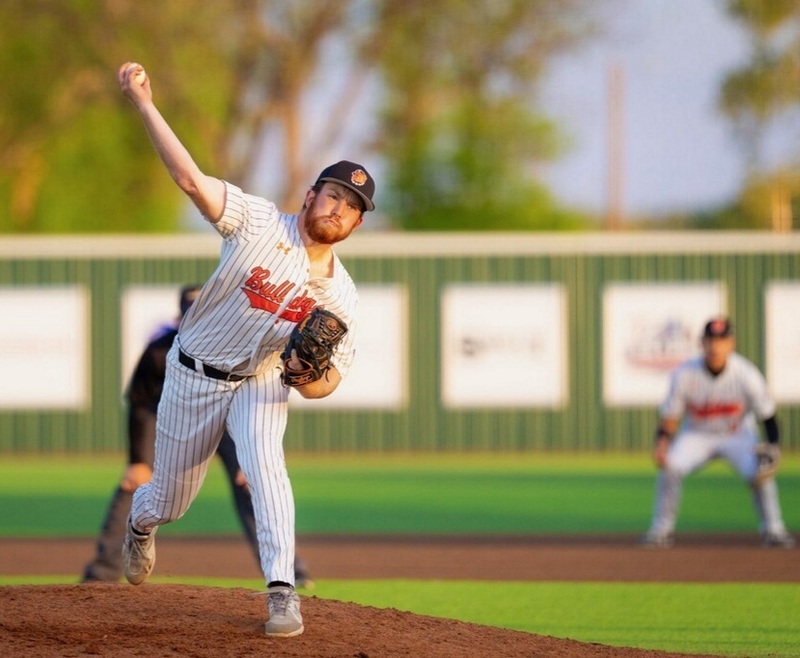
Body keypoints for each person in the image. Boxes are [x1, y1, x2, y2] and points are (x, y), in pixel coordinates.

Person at [117, 61, 374, 638]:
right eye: (333, 195)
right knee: (170, 501)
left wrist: (308, 373)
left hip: (260, 380)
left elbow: (327, 383)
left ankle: (282, 593)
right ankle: (140, 525)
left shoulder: (342, 296)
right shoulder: (259, 220)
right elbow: (190, 181)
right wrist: (143, 104)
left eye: (352, 207)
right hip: (193, 374)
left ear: (357, 224)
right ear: (310, 196)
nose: (339, 209)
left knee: (267, 469)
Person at [80, 285, 313, 588]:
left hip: (225, 412)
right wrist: (138, 460)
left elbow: (258, 398)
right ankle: (101, 574)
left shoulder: (236, 346)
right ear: (179, 318)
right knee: (136, 483)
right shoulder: (158, 350)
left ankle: (288, 572)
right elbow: (140, 403)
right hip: (164, 415)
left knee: (253, 482)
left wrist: (250, 456)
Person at [641, 316, 795, 549]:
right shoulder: (684, 374)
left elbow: (768, 416)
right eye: (711, 340)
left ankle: (774, 530)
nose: (715, 346)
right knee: (670, 465)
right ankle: (660, 530)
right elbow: (670, 417)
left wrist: (772, 447)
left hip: (738, 435)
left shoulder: (746, 374)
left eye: (721, 340)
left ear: (731, 343)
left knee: (761, 469)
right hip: (697, 435)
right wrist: (662, 442)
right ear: (702, 343)